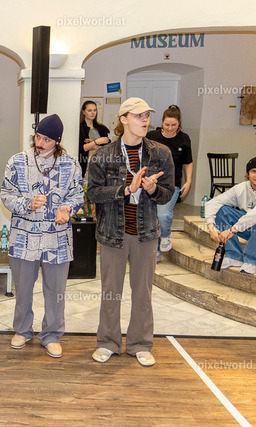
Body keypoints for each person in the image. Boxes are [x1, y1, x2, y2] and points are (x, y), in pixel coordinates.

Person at [87, 97, 174, 367]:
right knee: (111, 292)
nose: (145, 120)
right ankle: (107, 343)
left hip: (146, 234)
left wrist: (153, 190)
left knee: (143, 293)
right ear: (123, 119)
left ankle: (140, 344)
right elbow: (93, 193)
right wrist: (126, 189)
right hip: (112, 233)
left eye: (146, 115)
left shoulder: (161, 153)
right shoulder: (103, 155)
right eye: (138, 116)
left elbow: (168, 193)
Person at [1, 114, 84, 358]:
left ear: (57, 141)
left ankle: (52, 335)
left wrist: (67, 208)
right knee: (23, 289)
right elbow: (6, 194)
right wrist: (27, 203)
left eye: (47, 140)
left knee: (56, 291)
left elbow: (78, 195)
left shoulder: (71, 165)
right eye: (38, 137)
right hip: (23, 238)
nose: (40, 143)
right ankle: (22, 330)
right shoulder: (17, 161)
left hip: (57, 239)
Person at [146, 105, 193, 260]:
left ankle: (165, 236)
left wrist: (189, 181)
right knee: (152, 218)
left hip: (172, 184)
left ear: (179, 123)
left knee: (163, 215)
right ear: (162, 122)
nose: (170, 128)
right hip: (151, 183)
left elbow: (188, 162)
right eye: (167, 124)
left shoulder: (184, 139)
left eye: (174, 125)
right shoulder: (152, 136)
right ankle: (156, 252)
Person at [205, 157, 256, 274]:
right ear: (248, 174)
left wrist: (232, 230)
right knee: (221, 210)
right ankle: (234, 256)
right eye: (254, 171)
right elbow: (214, 202)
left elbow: (254, 215)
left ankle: (251, 260)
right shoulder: (241, 188)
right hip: (249, 229)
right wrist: (211, 226)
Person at [78, 100, 110, 178]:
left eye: (94, 110)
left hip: (100, 164)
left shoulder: (101, 128)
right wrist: (96, 142)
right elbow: (81, 148)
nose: (93, 113)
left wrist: (94, 145)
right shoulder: (79, 128)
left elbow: (108, 146)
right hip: (85, 164)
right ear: (83, 112)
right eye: (89, 110)